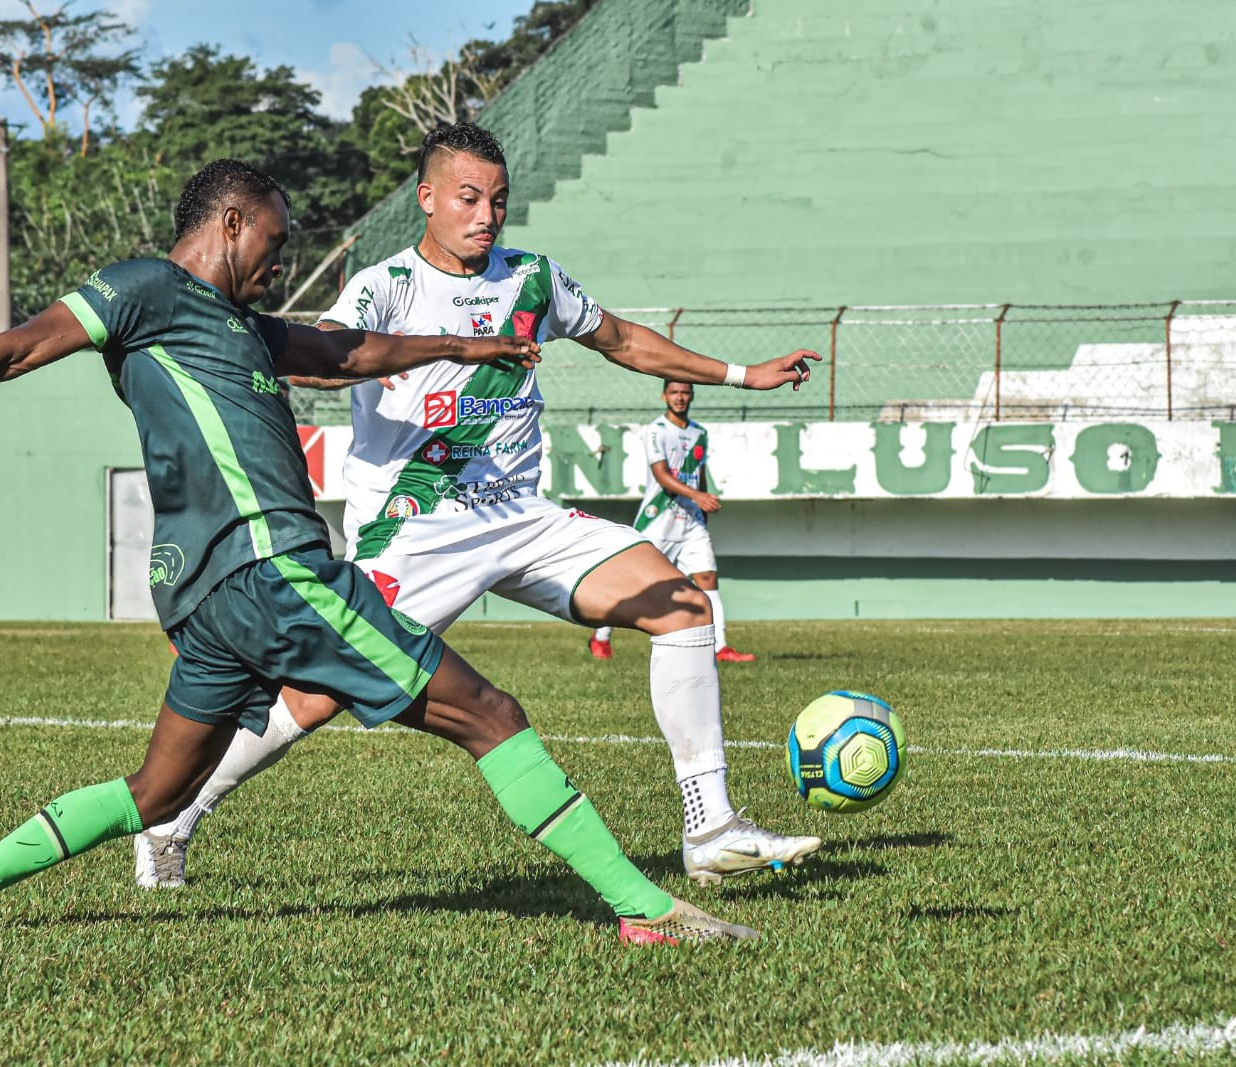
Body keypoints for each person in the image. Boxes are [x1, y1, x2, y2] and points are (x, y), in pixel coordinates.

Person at [0, 158, 753, 945]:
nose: (279, 263)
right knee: (489, 713)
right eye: (276, 242)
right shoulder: (146, 288)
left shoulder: (238, 323)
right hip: (269, 566)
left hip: (206, 597)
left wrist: (461, 348)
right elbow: (17, 347)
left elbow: (343, 354)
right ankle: (645, 907)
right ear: (232, 220)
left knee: (157, 790)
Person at [135, 123, 823, 892]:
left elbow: (622, 339)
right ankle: (173, 817)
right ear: (426, 199)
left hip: (520, 517)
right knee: (314, 696)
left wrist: (740, 374)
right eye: (468, 198)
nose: (486, 215)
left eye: (498, 200)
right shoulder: (385, 286)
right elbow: (325, 356)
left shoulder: (532, 279)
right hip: (414, 530)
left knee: (684, 605)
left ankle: (711, 827)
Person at [588, 380, 752, 663]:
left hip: (691, 522)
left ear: (692, 395)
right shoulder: (656, 431)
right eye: (674, 392)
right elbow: (661, 474)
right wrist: (697, 495)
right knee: (631, 582)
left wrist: (701, 508)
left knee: (707, 577)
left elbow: (698, 476)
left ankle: (719, 647)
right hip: (659, 518)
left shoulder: (700, 433)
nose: (680, 397)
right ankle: (600, 637)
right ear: (664, 395)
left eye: (685, 392)